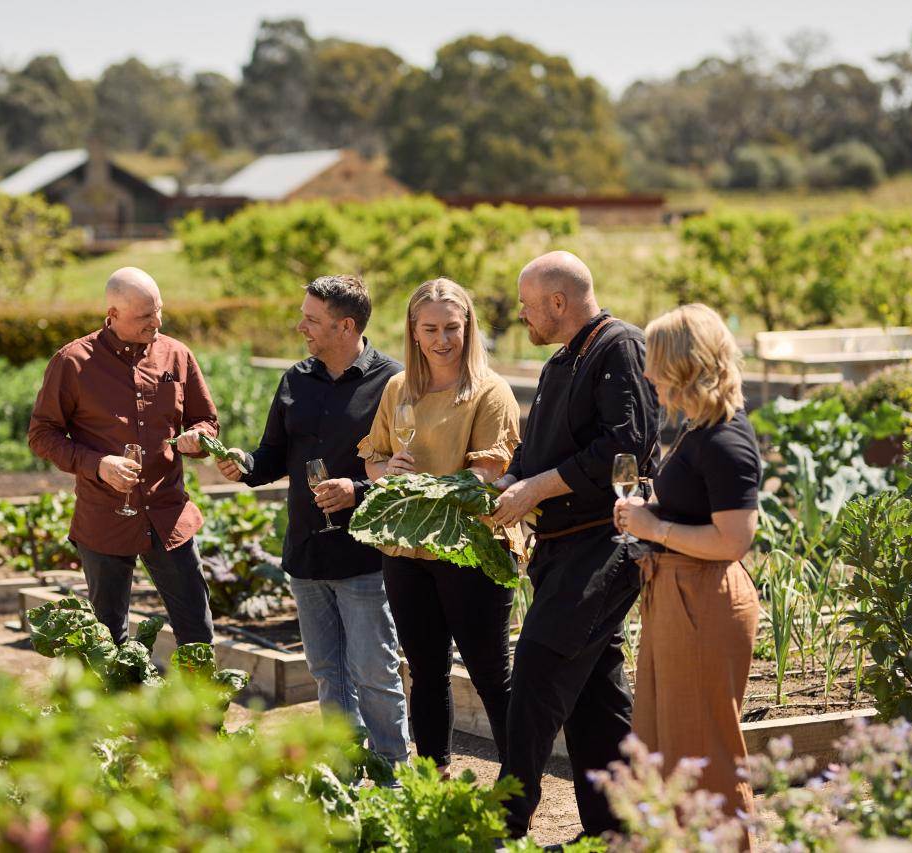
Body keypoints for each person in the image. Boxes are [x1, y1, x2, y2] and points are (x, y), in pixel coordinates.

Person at [491, 251, 659, 841]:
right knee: (594, 694)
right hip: (562, 549)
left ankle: (503, 825)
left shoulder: (618, 348)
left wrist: (535, 485)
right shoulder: (563, 359)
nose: (520, 314)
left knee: (536, 669)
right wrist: (506, 481)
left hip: (605, 546)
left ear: (558, 303)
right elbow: (542, 452)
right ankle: (618, 830)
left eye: (527, 304)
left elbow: (625, 448)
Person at [216, 275, 410, 769]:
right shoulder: (295, 380)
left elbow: (411, 470)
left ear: (346, 327)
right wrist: (243, 464)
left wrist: (357, 490)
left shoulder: (394, 382)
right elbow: (273, 456)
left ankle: (392, 772)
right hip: (306, 552)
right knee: (328, 672)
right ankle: (345, 770)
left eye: (311, 319)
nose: (300, 326)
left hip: (366, 553)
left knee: (374, 672)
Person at [613, 303, 761, 850]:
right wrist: (654, 511)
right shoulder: (703, 429)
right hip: (679, 594)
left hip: (703, 599)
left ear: (683, 363)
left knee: (705, 756)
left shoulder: (725, 439)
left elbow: (732, 541)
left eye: (654, 360)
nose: (647, 372)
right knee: (665, 746)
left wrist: (655, 526)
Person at [359, 278, 520, 775]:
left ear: (468, 326)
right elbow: (374, 458)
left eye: (452, 327)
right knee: (425, 672)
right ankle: (434, 777)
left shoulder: (490, 392)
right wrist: (388, 474)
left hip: (471, 549)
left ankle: (520, 781)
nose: (442, 339)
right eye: (430, 328)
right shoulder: (397, 387)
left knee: (491, 674)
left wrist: (422, 492)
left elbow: (486, 476)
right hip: (407, 552)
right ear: (413, 330)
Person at [28, 266, 216, 647]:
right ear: (112, 314)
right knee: (109, 636)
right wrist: (97, 465)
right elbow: (42, 434)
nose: (157, 321)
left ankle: (202, 707)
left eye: (158, 310)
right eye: (145, 316)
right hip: (104, 518)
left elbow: (205, 419)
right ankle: (117, 707)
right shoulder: (73, 362)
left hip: (168, 513)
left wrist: (199, 438)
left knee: (197, 629)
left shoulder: (176, 355)